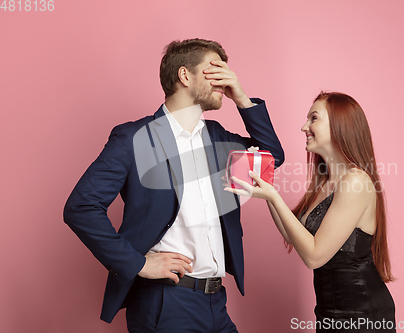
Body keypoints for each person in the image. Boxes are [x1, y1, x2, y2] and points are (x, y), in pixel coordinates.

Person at [63, 38, 284, 332]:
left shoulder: (217, 137)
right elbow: (81, 207)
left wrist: (242, 98)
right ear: (184, 75)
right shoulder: (133, 138)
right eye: (214, 70)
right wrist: (138, 264)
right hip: (166, 303)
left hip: (217, 302)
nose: (225, 79)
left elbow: (272, 157)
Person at [226, 92, 395, 332]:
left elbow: (314, 256)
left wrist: (273, 197)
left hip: (362, 313)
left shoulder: (356, 181)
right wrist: (266, 190)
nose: (304, 127)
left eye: (313, 118)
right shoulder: (325, 182)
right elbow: (291, 234)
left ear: (340, 124)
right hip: (328, 312)